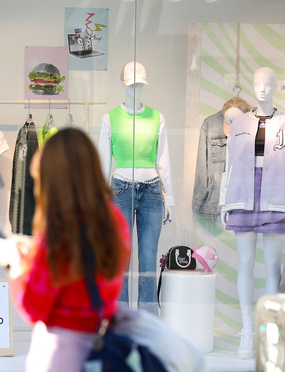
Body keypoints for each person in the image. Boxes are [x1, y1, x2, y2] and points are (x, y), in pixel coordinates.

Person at [0, 128, 131, 372]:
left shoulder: (58, 233)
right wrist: (35, 249)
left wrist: (15, 266)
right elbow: (87, 268)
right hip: (102, 342)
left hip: (61, 354)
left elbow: (33, 309)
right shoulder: (114, 220)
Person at [220, 67, 285, 359]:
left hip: (276, 196)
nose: (263, 89)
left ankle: (270, 333)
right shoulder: (240, 122)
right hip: (243, 194)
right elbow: (228, 164)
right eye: (258, 83)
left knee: (271, 267)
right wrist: (223, 201)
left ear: (274, 87)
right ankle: (246, 330)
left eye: (269, 84)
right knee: (245, 263)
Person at [98, 61, 174, 314]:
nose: (136, 89)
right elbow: (102, 161)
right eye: (131, 84)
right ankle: (120, 318)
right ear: (122, 84)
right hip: (119, 189)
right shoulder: (109, 119)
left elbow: (163, 160)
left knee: (148, 258)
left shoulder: (157, 117)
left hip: (152, 190)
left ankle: (148, 320)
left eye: (140, 84)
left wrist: (169, 196)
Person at [193, 97, 250, 220]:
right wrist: (199, 200)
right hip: (216, 200)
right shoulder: (210, 124)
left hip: (246, 201)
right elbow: (202, 165)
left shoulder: (257, 126)